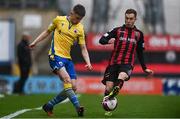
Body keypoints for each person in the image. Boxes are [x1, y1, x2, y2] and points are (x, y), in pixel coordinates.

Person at [29, 4, 92, 117]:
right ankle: (78, 108)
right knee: (67, 79)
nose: (78, 20)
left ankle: (49, 105)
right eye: (77, 18)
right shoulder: (59, 20)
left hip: (67, 59)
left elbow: (83, 48)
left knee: (73, 87)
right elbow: (47, 32)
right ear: (71, 13)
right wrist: (35, 42)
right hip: (55, 56)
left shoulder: (80, 28)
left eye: (80, 19)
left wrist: (88, 62)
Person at [99, 9, 154, 116]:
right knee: (108, 88)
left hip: (127, 64)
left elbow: (140, 52)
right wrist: (108, 41)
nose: (128, 21)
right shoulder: (117, 30)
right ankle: (109, 103)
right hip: (113, 63)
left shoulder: (139, 34)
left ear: (135, 19)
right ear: (125, 18)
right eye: (127, 18)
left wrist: (144, 68)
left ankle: (117, 88)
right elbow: (101, 40)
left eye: (131, 19)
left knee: (122, 76)